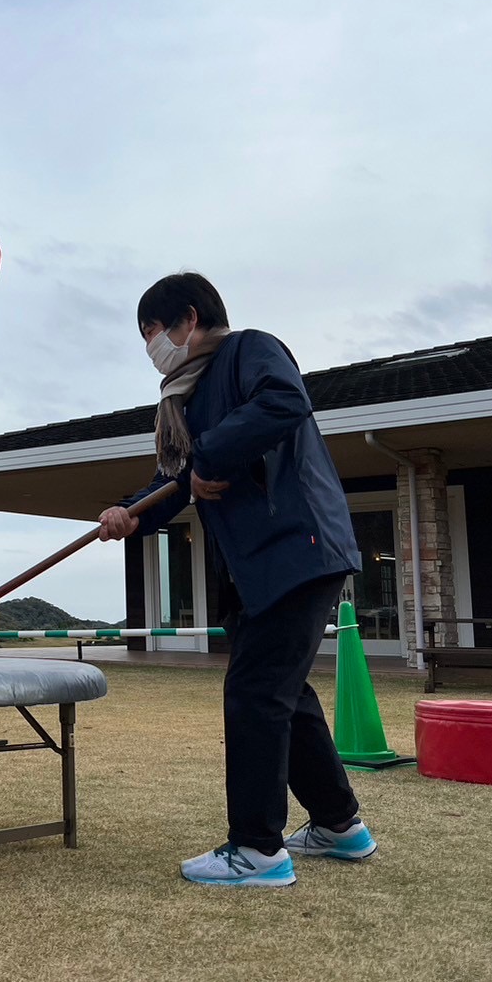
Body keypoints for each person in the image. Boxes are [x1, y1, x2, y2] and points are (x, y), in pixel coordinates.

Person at [97, 273, 371, 888]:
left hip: (297, 548)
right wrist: (129, 513)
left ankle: (257, 849)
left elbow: (283, 402)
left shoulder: (251, 349)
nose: (150, 348)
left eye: (152, 331)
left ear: (188, 319)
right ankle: (340, 825)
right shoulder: (187, 399)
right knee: (283, 693)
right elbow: (178, 478)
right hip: (254, 566)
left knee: (255, 692)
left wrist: (207, 458)